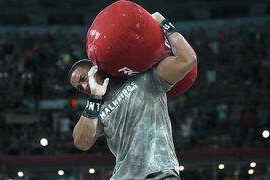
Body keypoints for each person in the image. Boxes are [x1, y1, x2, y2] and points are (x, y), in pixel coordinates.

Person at [68, 12, 197, 180]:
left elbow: (187, 59)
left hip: (160, 174)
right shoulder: (98, 110)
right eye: (79, 87)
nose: (84, 86)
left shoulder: (147, 77)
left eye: (83, 79)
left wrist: (164, 24)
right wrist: (94, 98)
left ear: (95, 67)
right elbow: (81, 142)